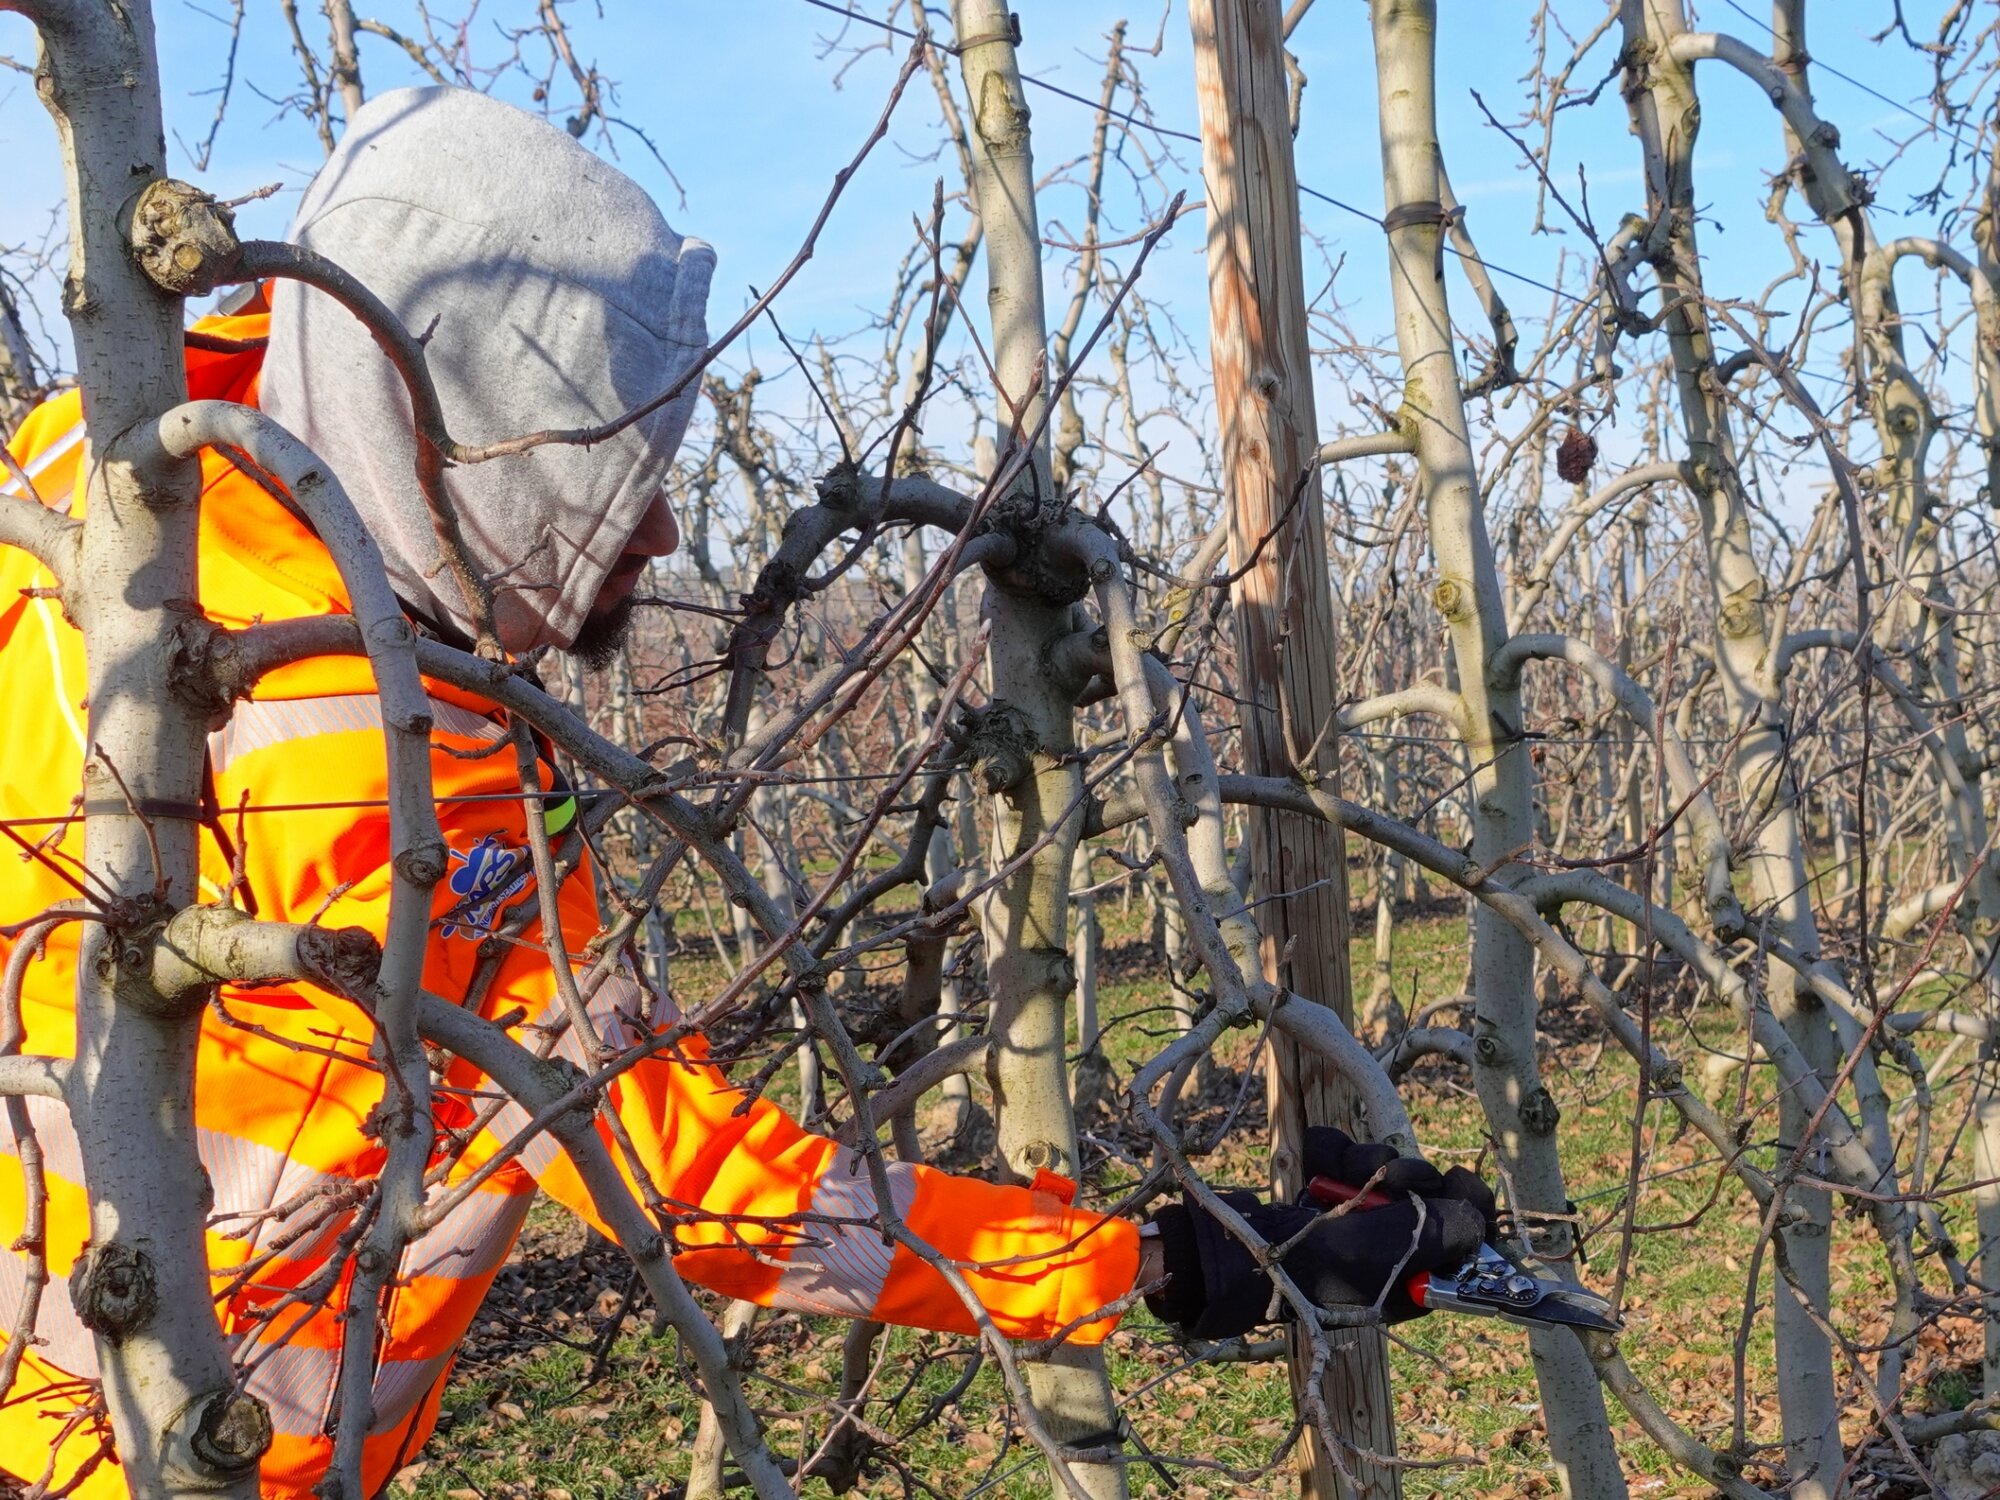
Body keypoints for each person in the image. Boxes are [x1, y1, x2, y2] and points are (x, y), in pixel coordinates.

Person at [0, 87, 1493, 1496]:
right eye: (606, 468)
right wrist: (1166, 1261)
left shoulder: (81, 499)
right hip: (183, 1454)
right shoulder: (365, 739)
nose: (655, 529)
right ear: (453, 431)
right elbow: (682, 1175)